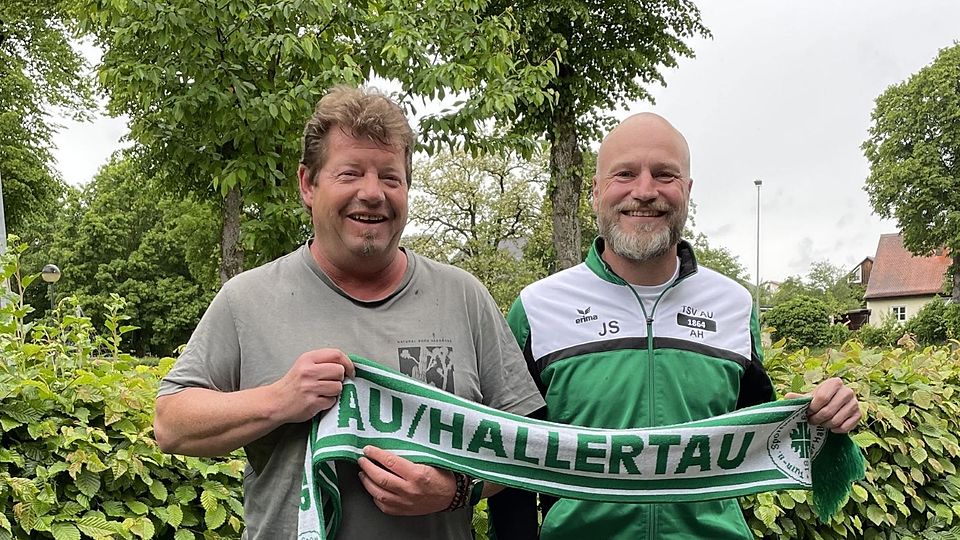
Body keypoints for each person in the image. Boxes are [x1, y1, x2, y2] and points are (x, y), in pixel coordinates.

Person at [154, 86, 545, 540]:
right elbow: (171, 424)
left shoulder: (464, 296)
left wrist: (459, 489)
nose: (372, 193)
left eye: (390, 177)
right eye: (350, 173)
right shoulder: (248, 298)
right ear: (308, 183)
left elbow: (527, 440)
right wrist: (278, 400)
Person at [490, 113, 861, 539]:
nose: (645, 191)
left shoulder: (735, 305)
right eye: (624, 174)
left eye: (664, 175)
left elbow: (757, 437)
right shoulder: (538, 306)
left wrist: (819, 412)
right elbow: (509, 464)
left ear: (686, 191)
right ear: (595, 192)